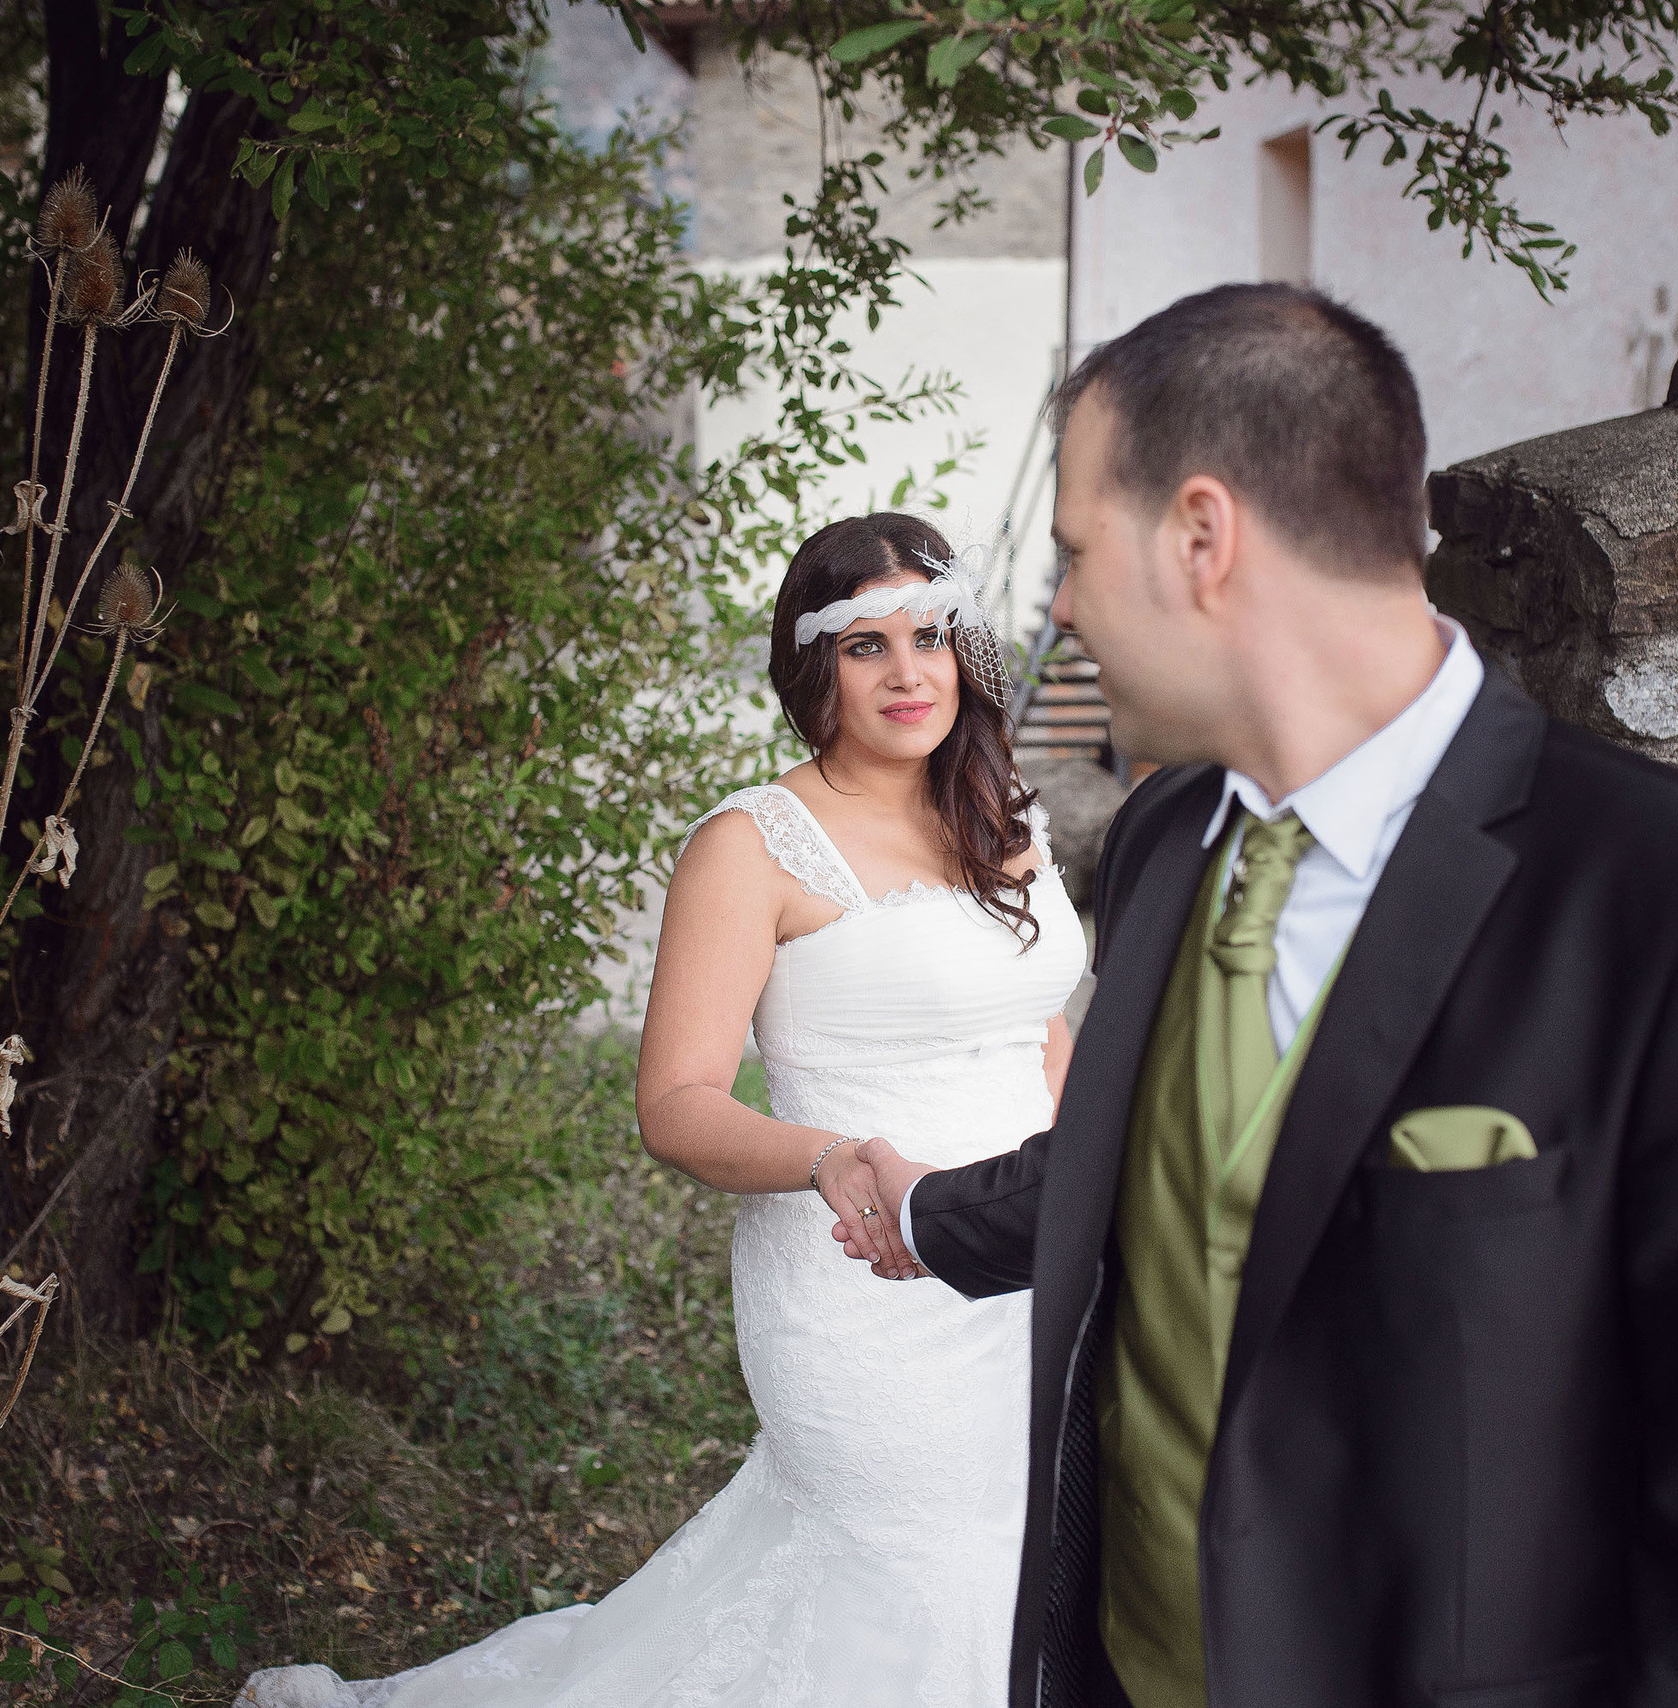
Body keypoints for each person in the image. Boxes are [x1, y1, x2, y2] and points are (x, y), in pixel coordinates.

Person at [838, 284, 1678, 1708]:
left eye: (1079, 552)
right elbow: (1145, 1180)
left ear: (1204, 538)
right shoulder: (1162, 840)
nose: (1064, 607)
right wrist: (914, 1207)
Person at [236, 511, 1086, 1708]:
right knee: (914, 1570)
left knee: (1020, 1567)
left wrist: (1096, 1199)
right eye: (865, 645)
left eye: (933, 636)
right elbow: (677, 1102)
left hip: (1025, 1265)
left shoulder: (1009, 821)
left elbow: (1040, 1034)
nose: (908, 672)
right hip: (862, 1291)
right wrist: (829, 1154)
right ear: (812, 668)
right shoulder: (753, 845)